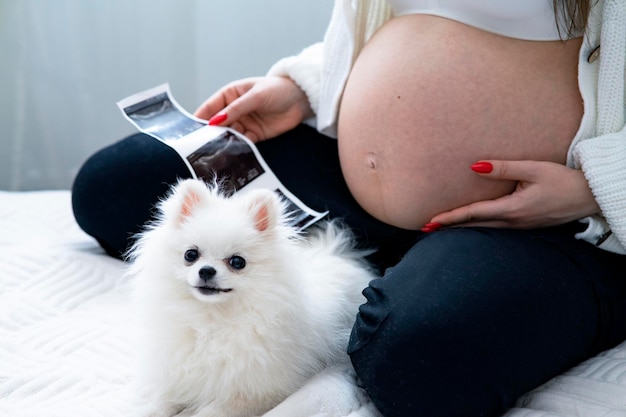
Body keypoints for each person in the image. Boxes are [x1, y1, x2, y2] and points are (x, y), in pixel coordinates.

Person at [72, 0, 626, 415]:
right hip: (344, 165)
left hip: (547, 215)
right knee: (113, 188)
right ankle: (401, 269)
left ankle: (443, 286)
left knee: (416, 364)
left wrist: (598, 187)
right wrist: (305, 86)